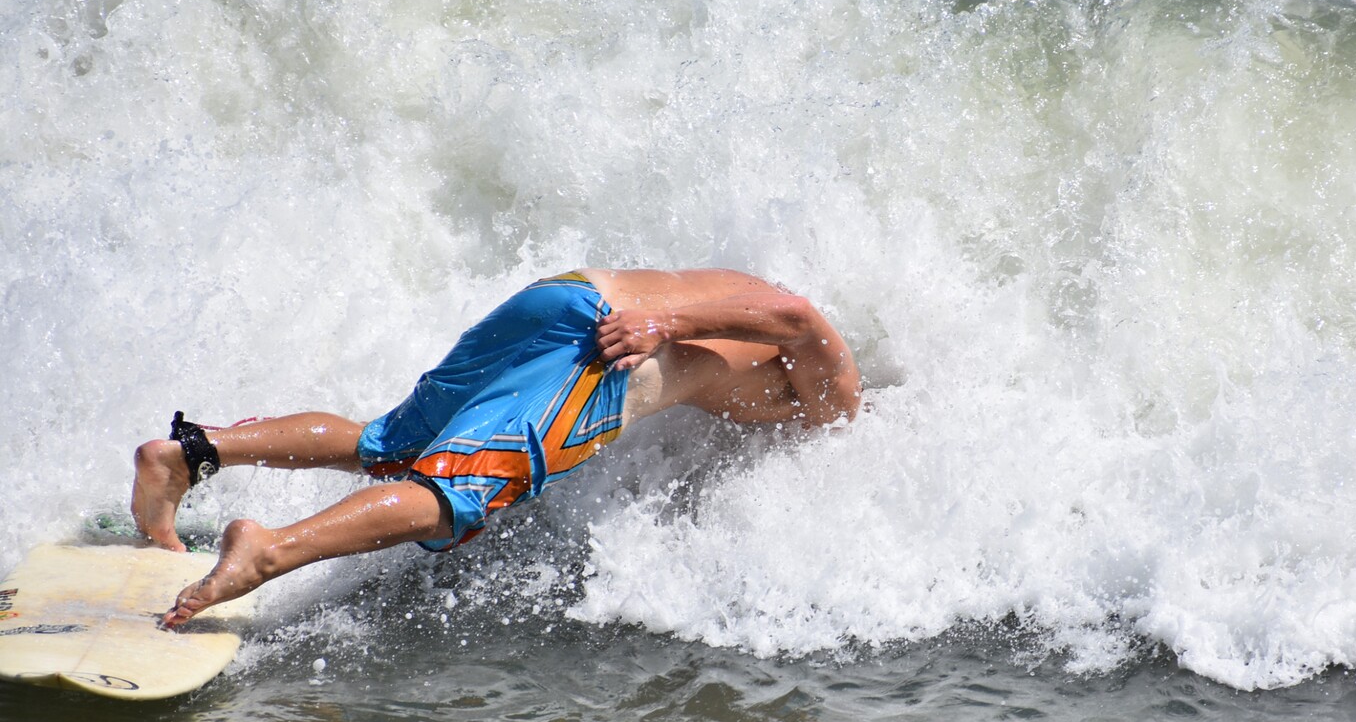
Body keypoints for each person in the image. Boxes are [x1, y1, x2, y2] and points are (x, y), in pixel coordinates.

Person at [132, 268, 860, 628]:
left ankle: (192, 452)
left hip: (561, 299)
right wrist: (659, 323)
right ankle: (270, 549)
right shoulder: (831, 397)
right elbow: (796, 314)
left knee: (393, 441)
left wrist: (660, 313)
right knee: (457, 496)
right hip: (607, 350)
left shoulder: (749, 338)